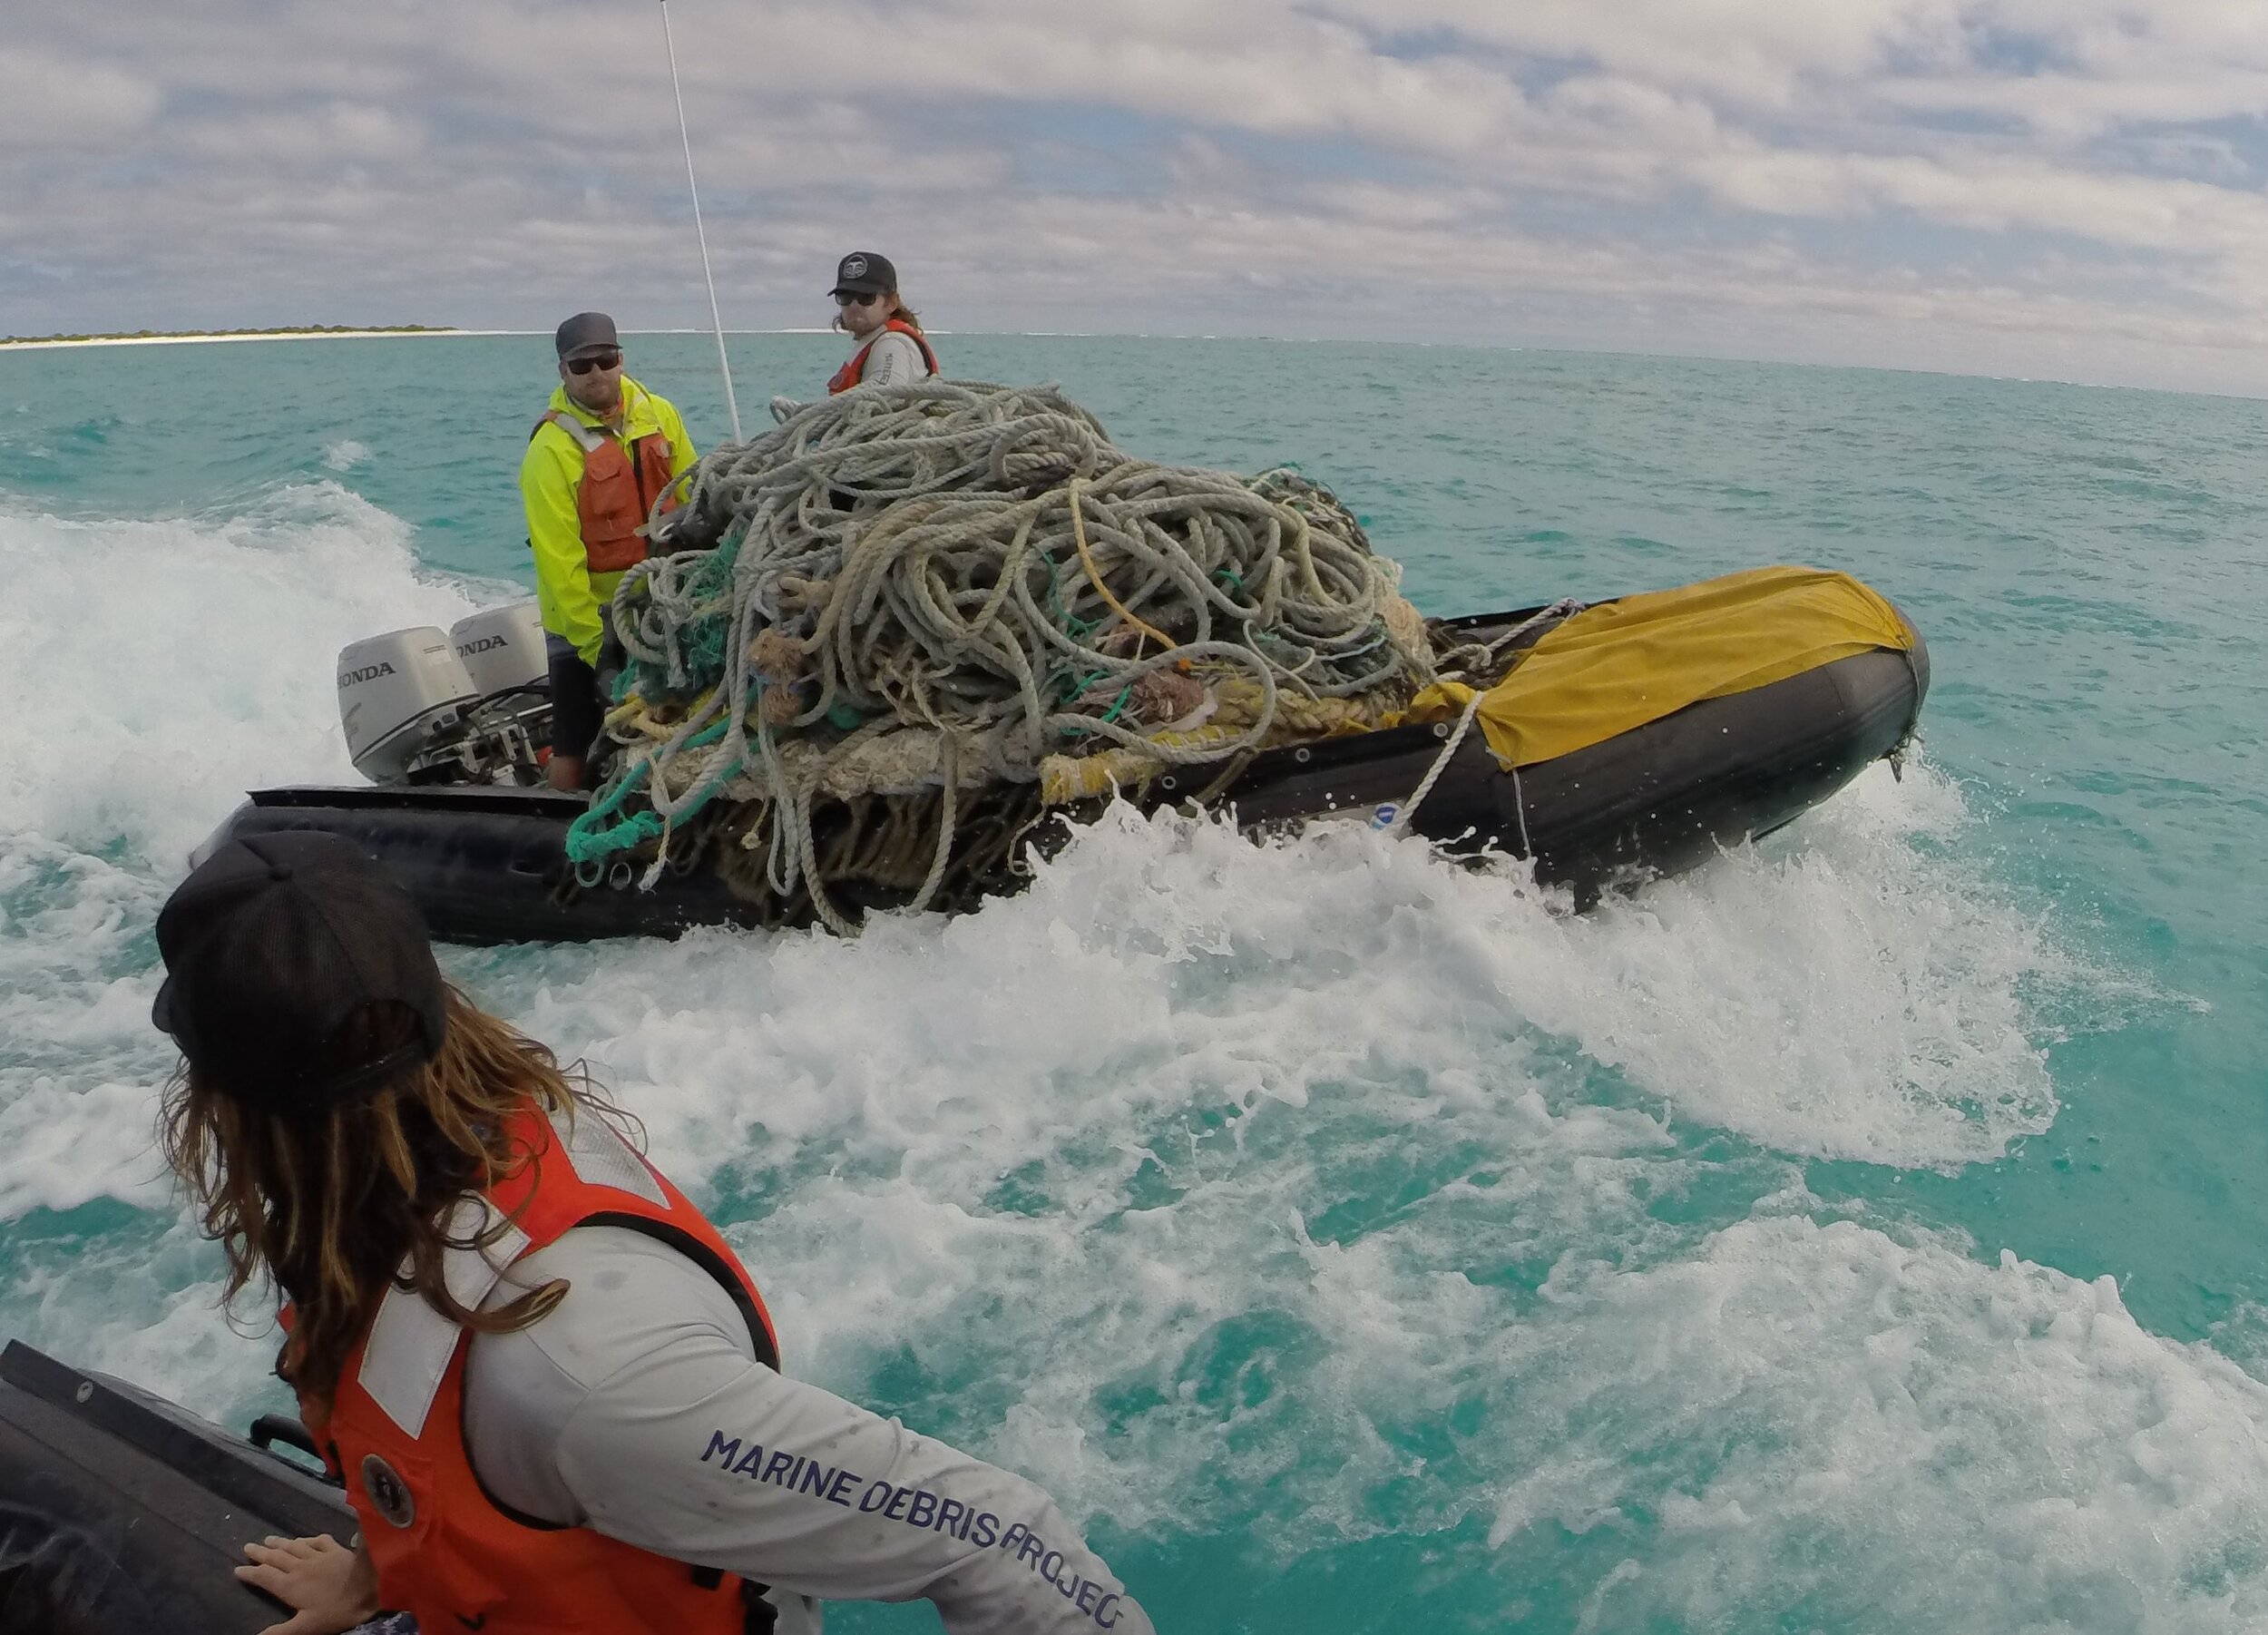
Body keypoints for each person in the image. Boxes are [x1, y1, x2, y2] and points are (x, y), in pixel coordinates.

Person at [153, 832, 1153, 1635]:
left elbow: (1004, 1537)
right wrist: (383, 1567)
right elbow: (405, 1410)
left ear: (231, 1110)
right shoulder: (418, 1179)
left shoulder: (586, 1379)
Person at [522, 312, 699, 793]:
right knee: (574, 739)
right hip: (586, 619)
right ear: (563, 373)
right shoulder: (551, 451)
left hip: (662, 599)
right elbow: (559, 564)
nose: (596, 372)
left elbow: (697, 493)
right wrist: (597, 649)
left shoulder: (660, 414)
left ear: (622, 360)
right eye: (582, 366)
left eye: (606, 359)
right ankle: (557, 828)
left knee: (680, 712)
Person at [827, 252, 938, 394]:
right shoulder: (877, 340)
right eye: (845, 296)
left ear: (891, 302)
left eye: (866, 297)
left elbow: (886, 393)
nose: (854, 305)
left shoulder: (891, 344)